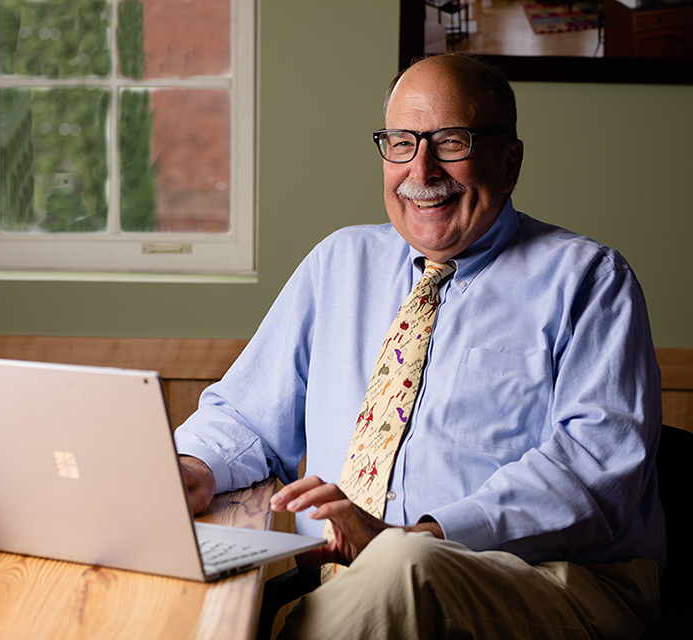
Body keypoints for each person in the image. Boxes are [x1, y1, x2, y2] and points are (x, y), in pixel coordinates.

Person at [174, 53, 664, 639]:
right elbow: (245, 414)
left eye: (451, 142)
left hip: (560, 582)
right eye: (401, 142)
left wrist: (416, 537)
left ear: (509, 161)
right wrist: (192, 468)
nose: (422, 169)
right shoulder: (339, 264)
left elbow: (593, 473)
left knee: (404, 569)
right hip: (355, 583)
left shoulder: (589, 280)